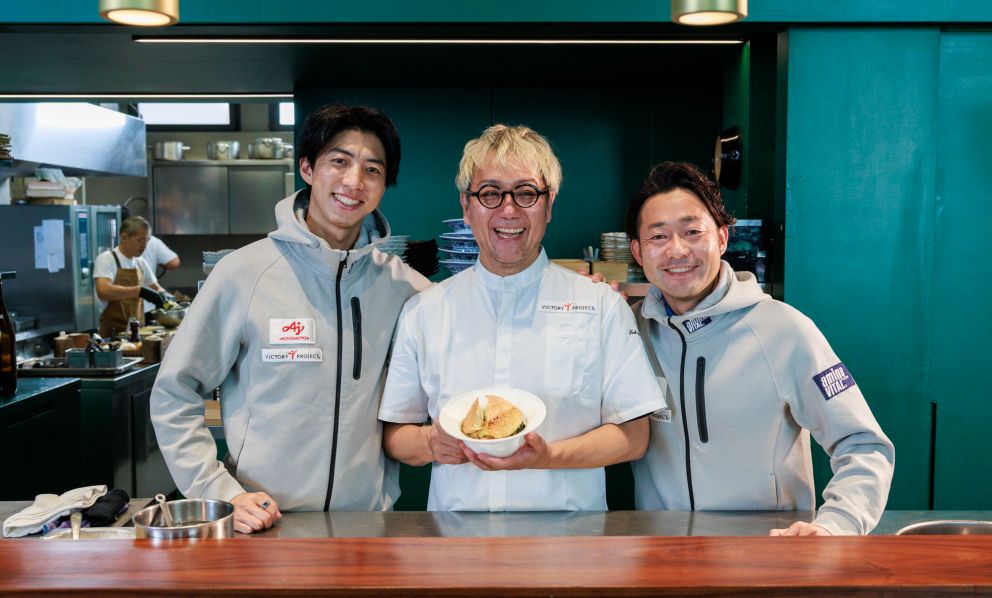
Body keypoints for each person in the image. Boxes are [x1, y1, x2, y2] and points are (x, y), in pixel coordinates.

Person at [150, 103, 431, 534]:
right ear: (307, 168)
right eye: (339, 161)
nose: (354, 181)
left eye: (373, 170)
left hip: (366, 525)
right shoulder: (244, 274)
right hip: (262, 523)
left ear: (383, 185)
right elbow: (174, 393)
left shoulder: (405, 289)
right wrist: (218, 490)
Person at [378, 124, 666, 511]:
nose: (509, 210)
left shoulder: (600, 306)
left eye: (527, 193)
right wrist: (431, 442)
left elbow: (634, 436)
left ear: (550, 204)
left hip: (569, 546)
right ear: (466, 206)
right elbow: (396, 434)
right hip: (456, 542)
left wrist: (547, 456)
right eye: (490, 193)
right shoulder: (425, 311)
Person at [625, 161, 895, 536]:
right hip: (662, 558)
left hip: (768, 555)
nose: (677, 250)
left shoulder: (784, 331)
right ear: (637, 252)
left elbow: (864, 444)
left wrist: (838, 526)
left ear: (721, 238)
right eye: (658, 237)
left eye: (692, 231)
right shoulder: (628, 332)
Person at [93, 216, 167, 338]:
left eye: (147, 240)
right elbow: (103, 291)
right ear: (124, 237)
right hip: (113, 335)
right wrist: (139, 291)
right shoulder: (107, 259)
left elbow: (157, 288)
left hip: (137, 333)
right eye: (140, 240)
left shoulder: (140, 262)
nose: (145, 246)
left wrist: (167, 297)